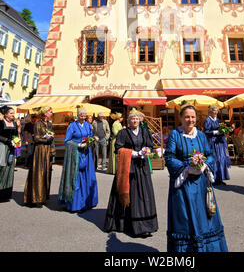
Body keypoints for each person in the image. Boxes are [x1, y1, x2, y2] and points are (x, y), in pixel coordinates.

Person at [164, 104, 228, 252]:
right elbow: (169, 156)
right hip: (183, 185)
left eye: (193, 117)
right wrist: (186, 169)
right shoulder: (175, 134)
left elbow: (210, 154)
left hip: (201, 184)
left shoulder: (200, 135)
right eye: (187, 116)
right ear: (180, 118)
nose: (190, 120)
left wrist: (204, 166)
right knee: (186, 219)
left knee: (204, 217)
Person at [104, 108, 158, 237]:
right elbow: (118, 148)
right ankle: (125, 224)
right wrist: (133, 153)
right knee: (130, 193)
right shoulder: (123, 133)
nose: (135, 120)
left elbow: (150, 145)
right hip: (128, 167)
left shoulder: (145, 132)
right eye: (132, 119)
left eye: (136, 118)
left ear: (140, 120)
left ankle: (144, 226)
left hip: (142, 167)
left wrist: (146, 151)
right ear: (128, 121)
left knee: (143, 195)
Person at [58, 109, 98, 212]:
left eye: (85, 116)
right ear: (78, 116)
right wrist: (78, 145)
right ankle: (76, 204)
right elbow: (67, 141)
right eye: (82, 116)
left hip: (86, 154)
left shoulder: (88, 125)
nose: (83, 118)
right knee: (77, 178)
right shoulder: (72, 126)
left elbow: (89, 137)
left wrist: (93, 140)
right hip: (76, 155)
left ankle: (87, 202)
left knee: (87, 176)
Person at [23, 107, 56, 207]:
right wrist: (47, 139)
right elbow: (36, 138)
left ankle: (43, 196)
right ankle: (34, 197)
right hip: (39, 150)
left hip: (47, 150)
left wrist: (51, 143)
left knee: (46, 172)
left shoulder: (49, 124)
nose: (52, 113)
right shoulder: (38, 123)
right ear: (45, 113)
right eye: (50, 111)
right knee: (38, 172)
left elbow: (51, 135)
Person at [203, 106, 230, 185]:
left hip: (219, 143)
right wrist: (215, 132)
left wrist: (223, 130)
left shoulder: (217, 120)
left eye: (217, 111)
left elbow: (220, 128)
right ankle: (213, 178)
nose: (215, 112)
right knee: (214, 160)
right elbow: (206, 131)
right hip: (212, 142)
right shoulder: (207, 120)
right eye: (214, 111)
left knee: (221, 159)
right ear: (210, 112)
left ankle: (220, 178)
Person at [0, 106, 18, 201]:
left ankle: (6, 193)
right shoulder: (1, 123)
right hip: (2, 147)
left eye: (13, 113)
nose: (13, 115)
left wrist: (16, 140)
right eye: (11, 113)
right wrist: (7, 140)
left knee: (9, 168)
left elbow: (16, 135)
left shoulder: (14, 123)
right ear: (6, 114)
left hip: (11, 148)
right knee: (2, 168)